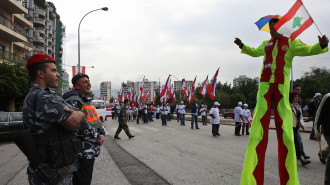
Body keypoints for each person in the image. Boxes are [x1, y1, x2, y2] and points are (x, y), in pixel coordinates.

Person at [235, 17, 328, 185]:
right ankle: (252, 180)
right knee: (258, 129)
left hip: (281, 86)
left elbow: (307, 50)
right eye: (270, 27)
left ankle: (289, 180)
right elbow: (255, 52)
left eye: (274, 27)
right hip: (264, 86)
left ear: (281, 28)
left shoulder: (290, 42)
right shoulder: (267, 44)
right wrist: (242, 46)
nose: (271, 30)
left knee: (286, 133)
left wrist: (321, 45)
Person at [22, 54, 85, 185]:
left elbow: (77, 116)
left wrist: (80, 114)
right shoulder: (45, 98)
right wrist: (81, 115)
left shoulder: (35, 95)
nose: (58, 75)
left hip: (46, 170)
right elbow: (74, 124)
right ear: (40, 73)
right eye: (53, 70)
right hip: (53, 173)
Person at [63, 73, 105, 185]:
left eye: (89, 81)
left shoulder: (86, 101)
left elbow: (95, 121)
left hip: (89, 151)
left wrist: (102, 134)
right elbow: (78, 127)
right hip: (81, 153)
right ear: (77, 86)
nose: (89, 84)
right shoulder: (73, 101)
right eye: (85, 82)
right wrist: (97, 137)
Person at [289, 91, 310, 166]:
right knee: (293, 143)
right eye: (295, 97)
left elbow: (300, 117)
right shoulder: (288, 106)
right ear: (291, 98)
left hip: (296, 127)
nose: (297, 98)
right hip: (289, 127)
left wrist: (302, 124)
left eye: (298, 96)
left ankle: (301, 158)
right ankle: (300, 158)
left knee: (297, 143)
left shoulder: (298, 106)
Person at [315, 93, 330, 184]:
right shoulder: (328, 97)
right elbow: (318, 114)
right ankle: (327, 181)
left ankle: (323, 154)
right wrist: (317, 130)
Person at [293, 84, 310, 160]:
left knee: (298, 139)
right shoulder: (288, 101)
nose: (298, 91)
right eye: (297, 89)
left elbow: (300, 113)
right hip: (291, 125)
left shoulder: (299, 100)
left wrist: (302, 124)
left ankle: (302, 153)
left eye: (299, 90)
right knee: (295, 141)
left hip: (296, 125)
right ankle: (299, 154)